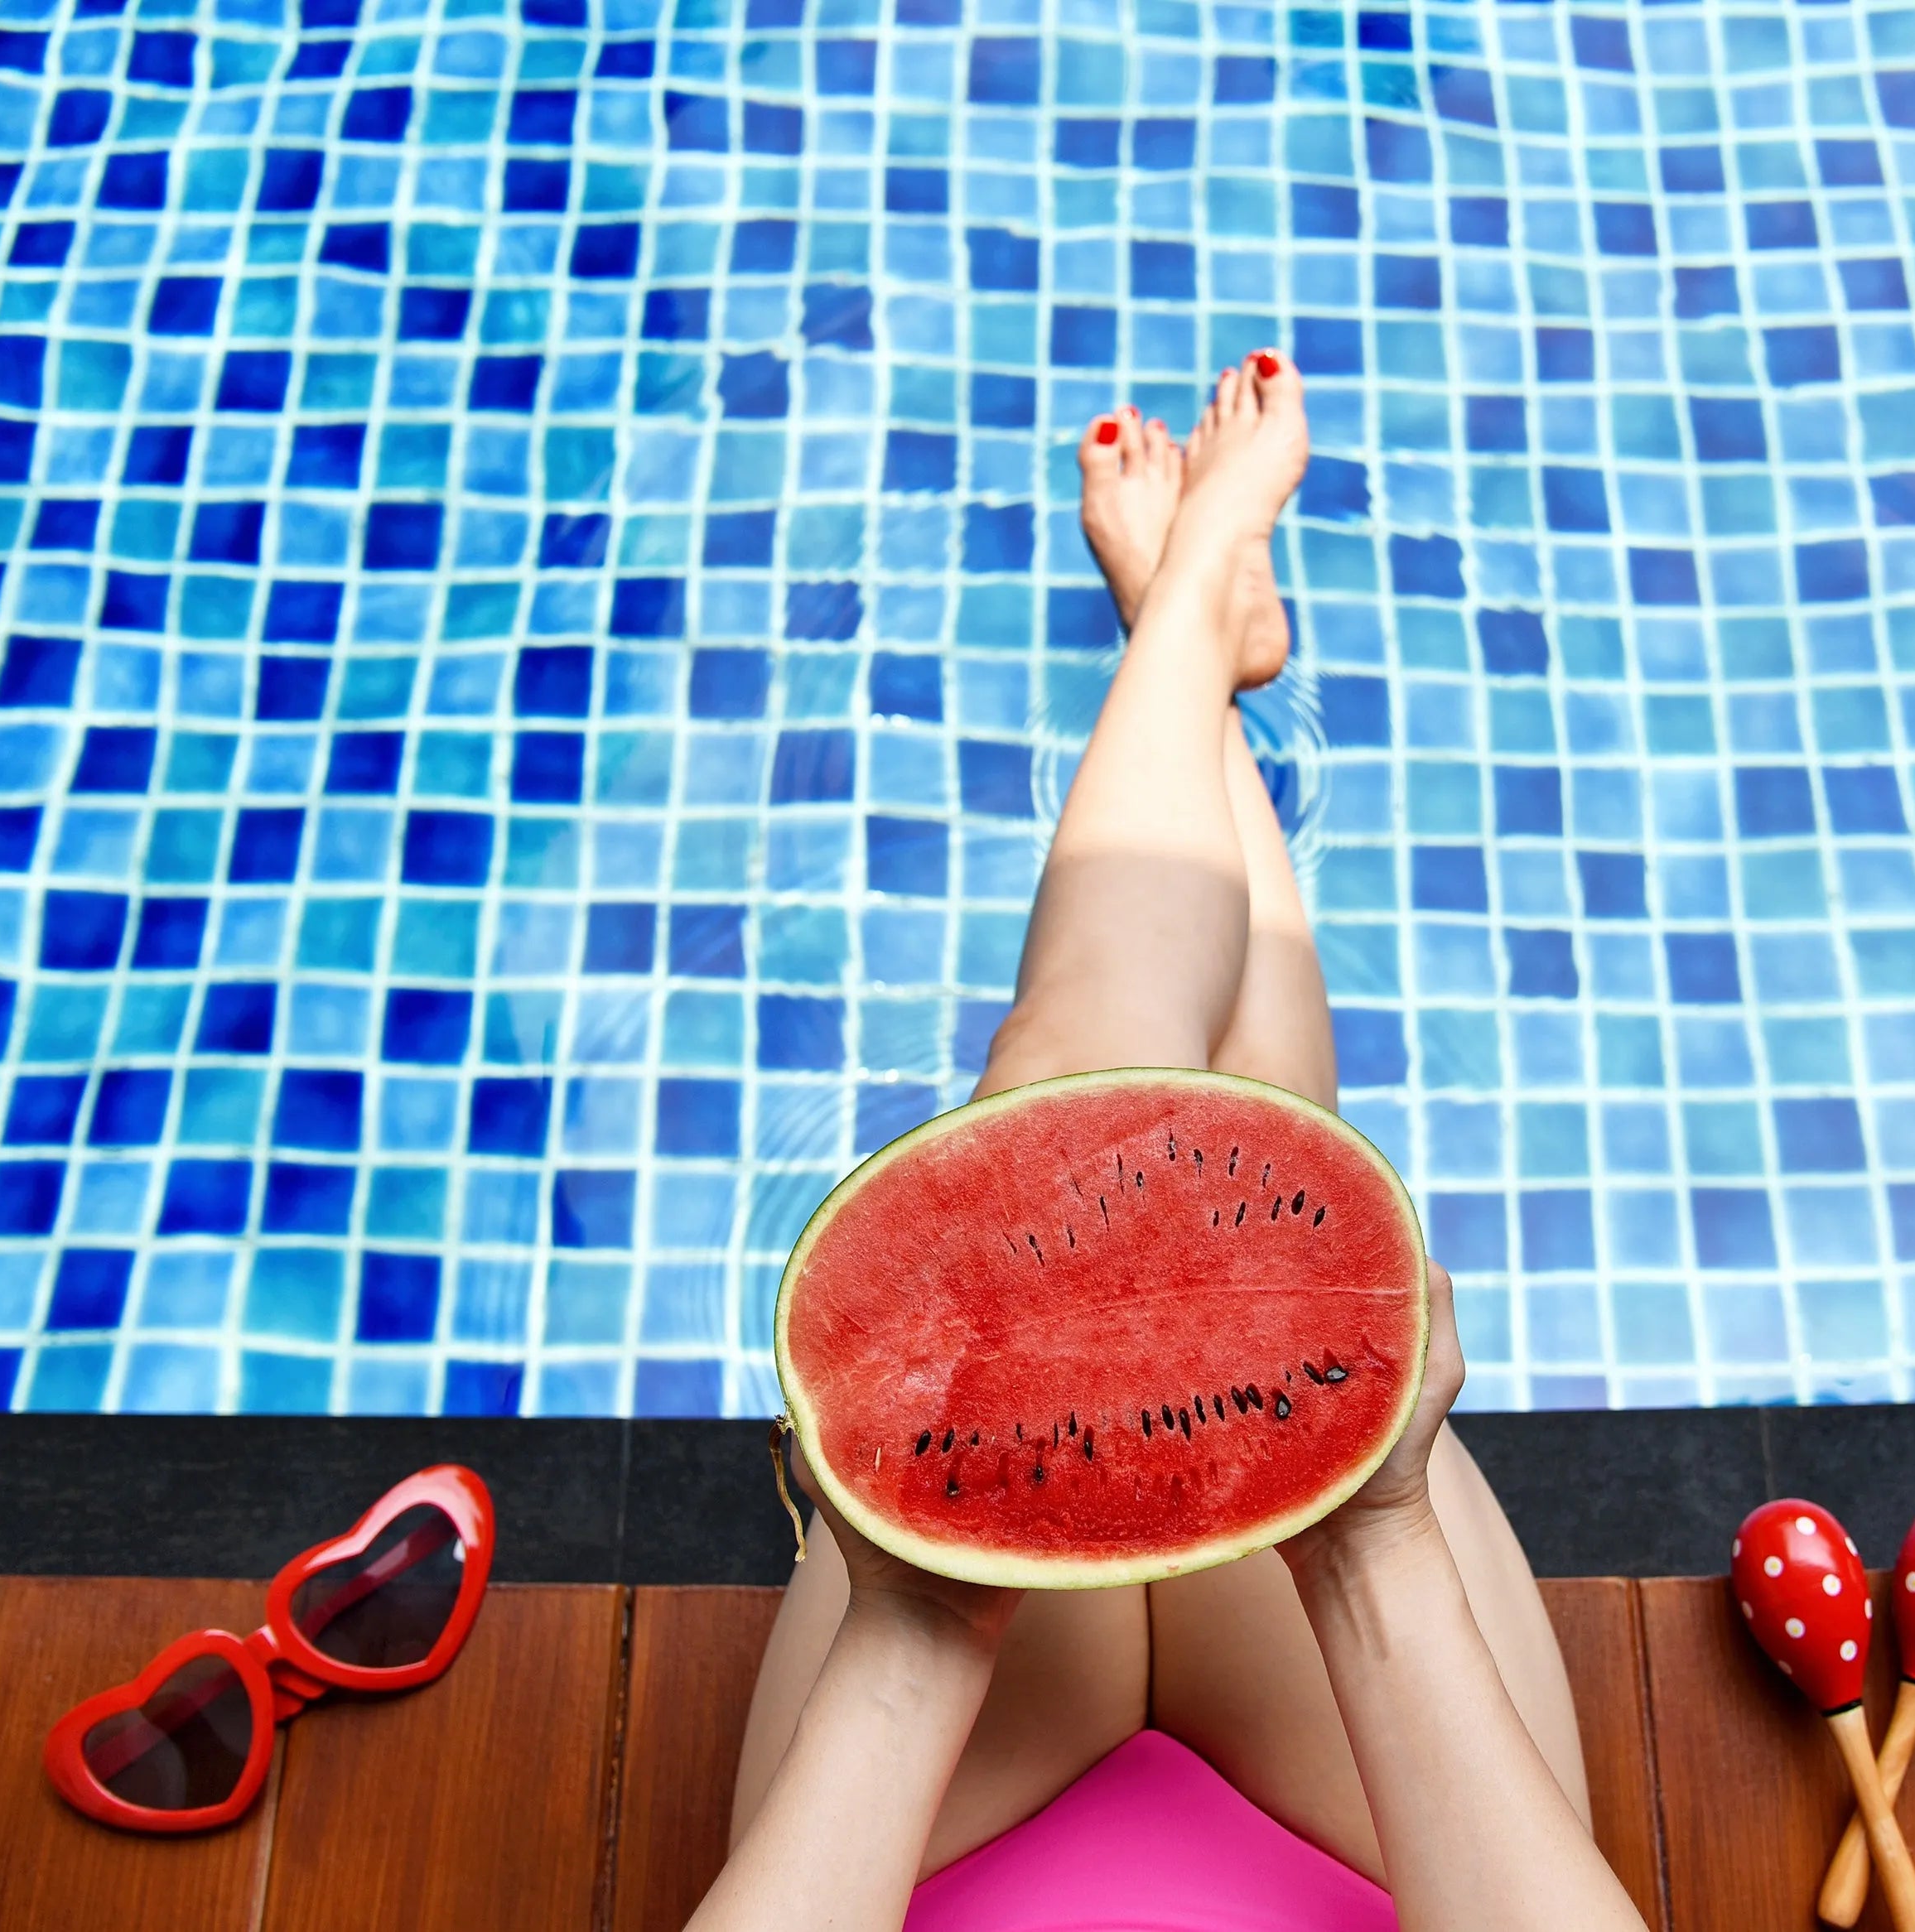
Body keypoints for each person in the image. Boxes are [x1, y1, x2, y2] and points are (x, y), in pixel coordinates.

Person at [691, 354, 1649, 1932]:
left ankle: (1192, 612)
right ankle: (1194, 620)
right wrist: (1370, 1536)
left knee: (1074, 1089)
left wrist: (923, 1621)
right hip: (1377, 1853)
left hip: (928, 1842)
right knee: (1270, 1149)